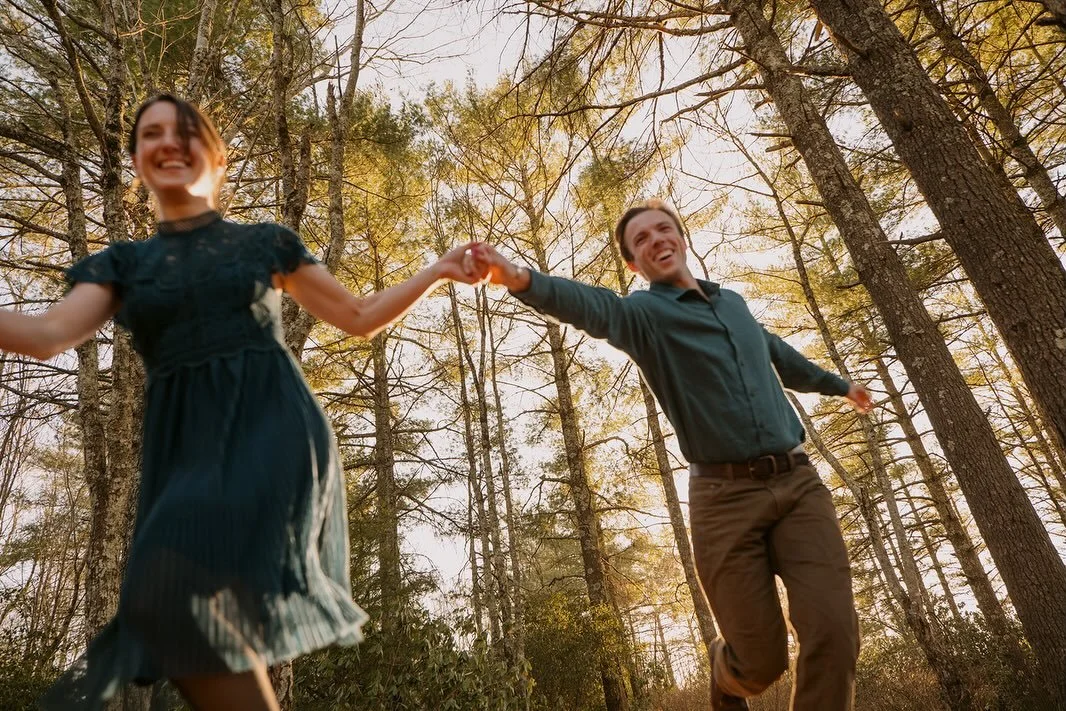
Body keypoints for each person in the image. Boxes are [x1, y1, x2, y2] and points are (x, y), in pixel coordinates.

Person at [0, 94, 485, 711]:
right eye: (151, 134)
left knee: (164, 595)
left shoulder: (263, 244)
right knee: (172, 608)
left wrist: (438, 269)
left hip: (270, 434)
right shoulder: (123, 264)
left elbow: (357, 316)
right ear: (138, 162)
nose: (169, 142)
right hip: (186, 452)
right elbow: (45, 336)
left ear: (217, 158)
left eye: (185, 132)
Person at [471, 200, 872, 711]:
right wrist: (518, 277)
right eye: (641, 239)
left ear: (682, 239)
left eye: (664, 229)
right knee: (761, 663)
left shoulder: (735, 305)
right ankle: (726, 680)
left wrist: (839, 386)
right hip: (724, 500)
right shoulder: (645, 316)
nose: (656, 239)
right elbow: (594, 307)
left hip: (799, 487)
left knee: (835, 633)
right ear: (635, 265)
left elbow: (775, 353)